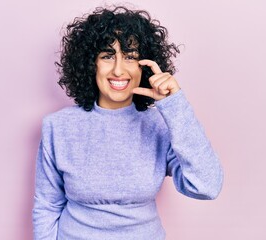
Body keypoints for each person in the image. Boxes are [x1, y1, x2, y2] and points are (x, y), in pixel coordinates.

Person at [33, 6, 223, 240]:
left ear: (144, 66)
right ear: (91, 64)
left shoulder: (161, 125)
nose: (118, 69)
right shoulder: (58, 127)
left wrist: (175, 104)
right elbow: (47, 206)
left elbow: (207, 186)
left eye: (130, 56)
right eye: (107, 56)